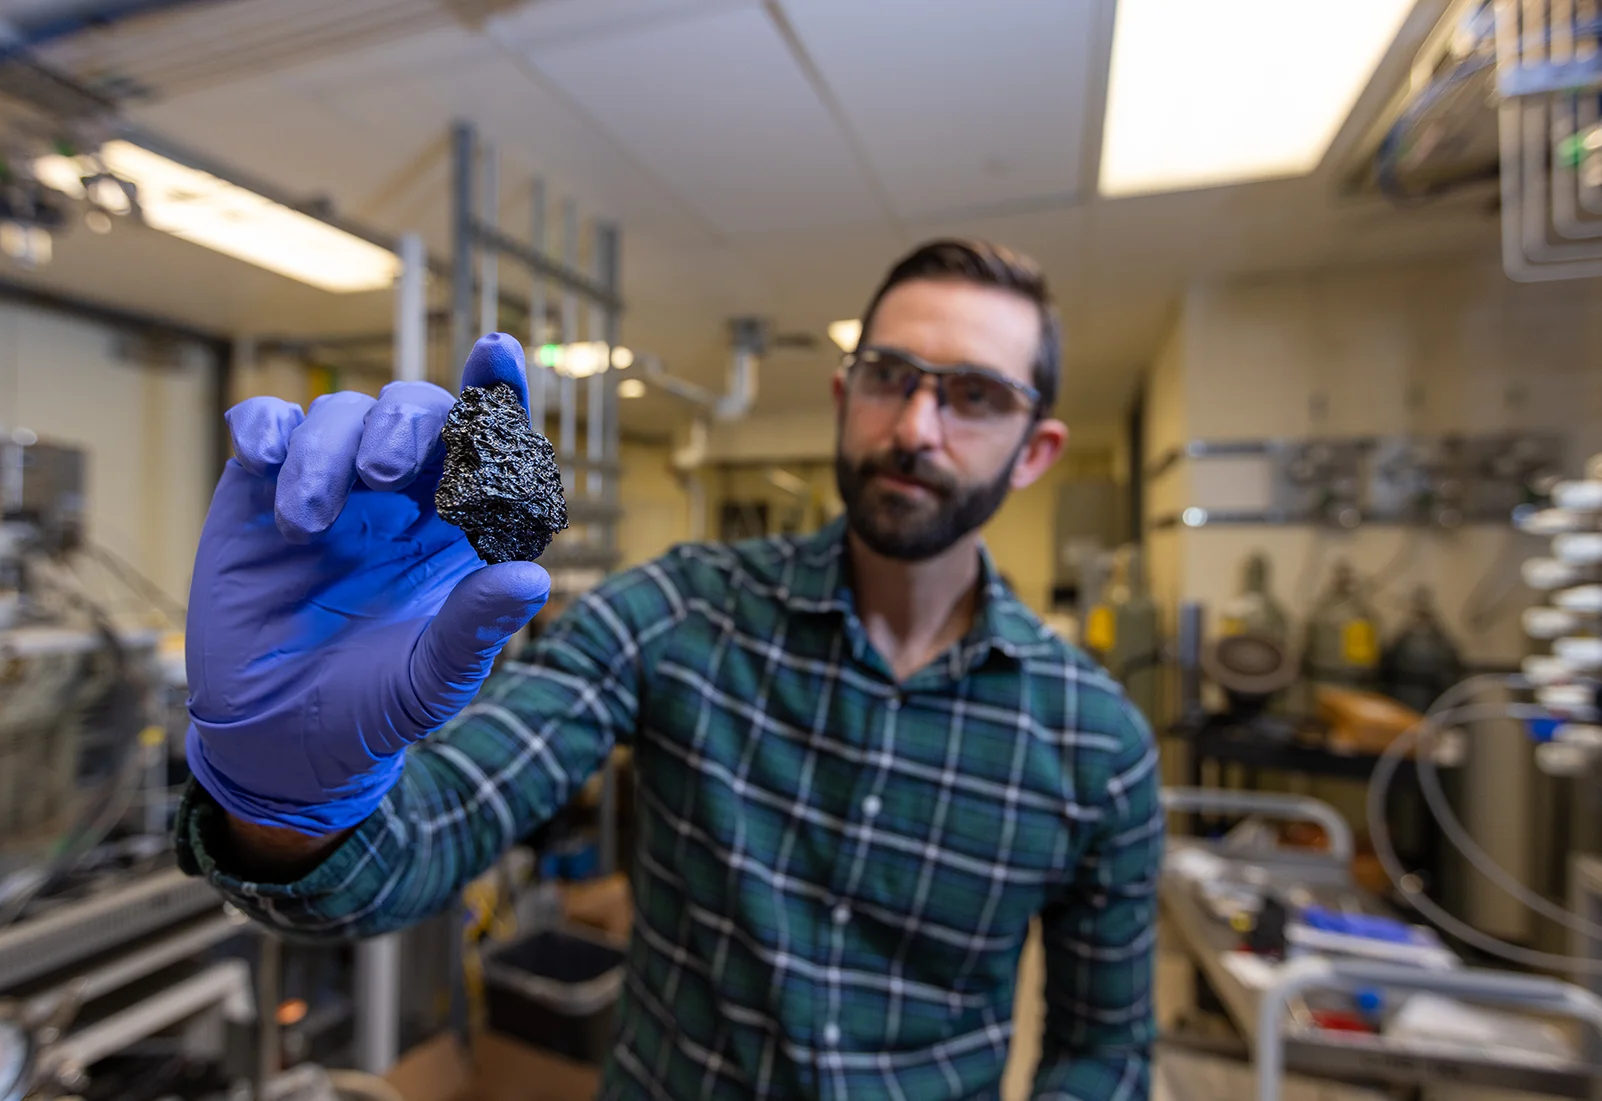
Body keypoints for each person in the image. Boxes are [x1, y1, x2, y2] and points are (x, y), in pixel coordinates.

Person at [179, 239, 1163, 1100]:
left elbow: (1101, 1052)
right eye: (888, 376)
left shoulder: (1097, 743)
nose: (915, 427)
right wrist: (286, 805)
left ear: (1036, 452)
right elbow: (439, 827)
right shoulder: (680, 612)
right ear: (842, 393)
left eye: (975, 396)